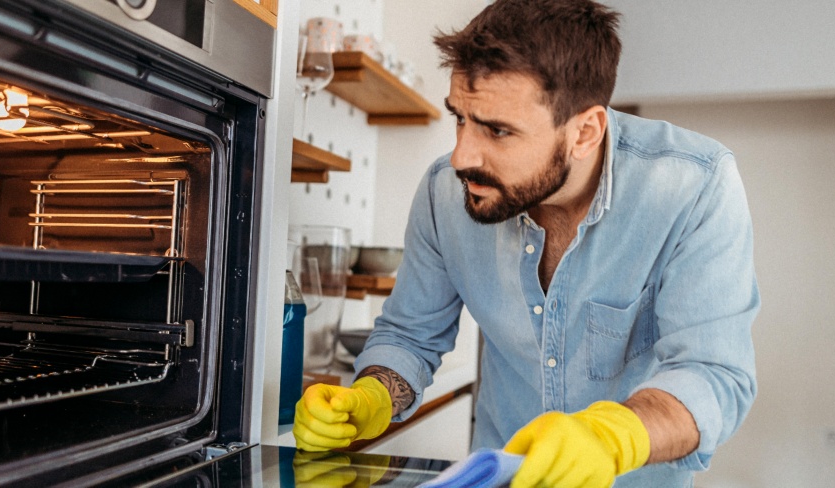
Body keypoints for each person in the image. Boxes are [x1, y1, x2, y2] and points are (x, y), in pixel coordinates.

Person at [291, 0, 759, 486]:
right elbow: (410, 336)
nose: (461, 156)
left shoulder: (693, 186)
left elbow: (714, 373)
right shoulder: (444, 194)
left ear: (584, 132)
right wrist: (373, 396)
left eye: (497, 130)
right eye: (460, 118)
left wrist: (612, 437)